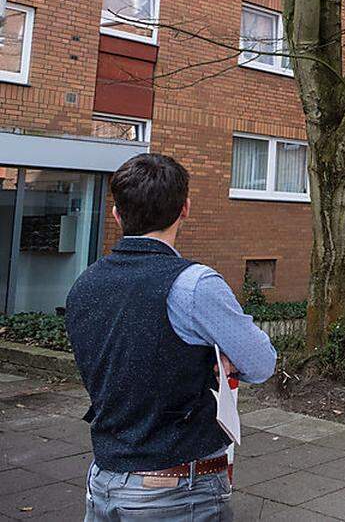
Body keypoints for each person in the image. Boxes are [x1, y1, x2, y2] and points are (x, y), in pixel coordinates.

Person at [65, 153, 277, 521]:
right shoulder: (194, 285)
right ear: (185, 209)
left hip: (104, 481)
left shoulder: (84, 284)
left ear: (117, 214)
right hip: (176, 492)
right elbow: (261, 363)